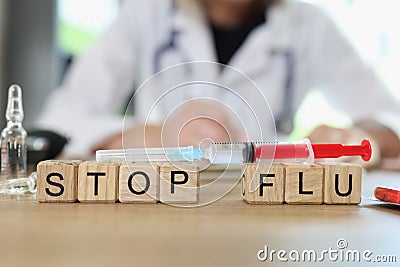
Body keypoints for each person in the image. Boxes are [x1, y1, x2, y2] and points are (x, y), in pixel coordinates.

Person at [36, 0, 400, 167]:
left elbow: (390, 118)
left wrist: (358, 136)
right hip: (159, 210)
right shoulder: (146, 12)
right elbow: (58, 123)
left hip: (260, 217)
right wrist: (150, 136)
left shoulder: (310, 24)